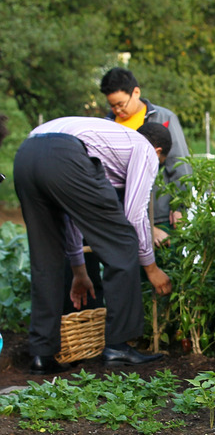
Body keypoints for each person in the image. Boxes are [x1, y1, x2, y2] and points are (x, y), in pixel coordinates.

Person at [13, 117, 173, 375]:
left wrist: (79, 269)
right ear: (158, 152)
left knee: (46, 258)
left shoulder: (108, 143)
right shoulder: (145, 149)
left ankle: (42, 354)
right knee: (123, 243)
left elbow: (74, 213)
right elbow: (134, 215)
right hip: (64, 155)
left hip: (26, 154)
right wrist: (151, 267)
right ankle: (119, 345)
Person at [100, 67, 192, 247]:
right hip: (125, 219)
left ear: (136, 92)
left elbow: (180, 165)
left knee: (167, 269)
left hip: (161, 216)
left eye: (121, 104)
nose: (118, 110)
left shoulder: (163, 118)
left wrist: (180, 207)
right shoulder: (107, 126)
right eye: (112, 106)